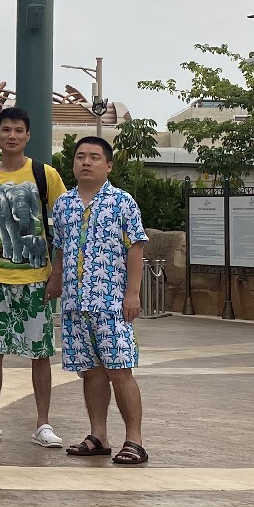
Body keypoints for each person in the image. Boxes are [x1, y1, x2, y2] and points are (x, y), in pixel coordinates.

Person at [0, 106, 68, 447]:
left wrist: (56, 272)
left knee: (40, 353)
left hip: (36, 277)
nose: (12, 135)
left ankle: (43, 422)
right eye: (6, 129)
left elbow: (62, 226)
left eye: (18, 130)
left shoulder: (45, 175)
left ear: (28, 136)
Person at [48, 136, 149, 465]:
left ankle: (134, 440)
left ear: (108, 165)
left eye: (94, 157)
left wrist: (132, 293)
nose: (86, 162)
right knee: (90, 372)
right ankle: (98, 435)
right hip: (75, 305)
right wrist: (55, 278)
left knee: (120, 371)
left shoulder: (122, 202)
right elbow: (60, 247)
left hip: (111, 303)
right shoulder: (63, 204)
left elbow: (136, 247)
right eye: (80, 157)